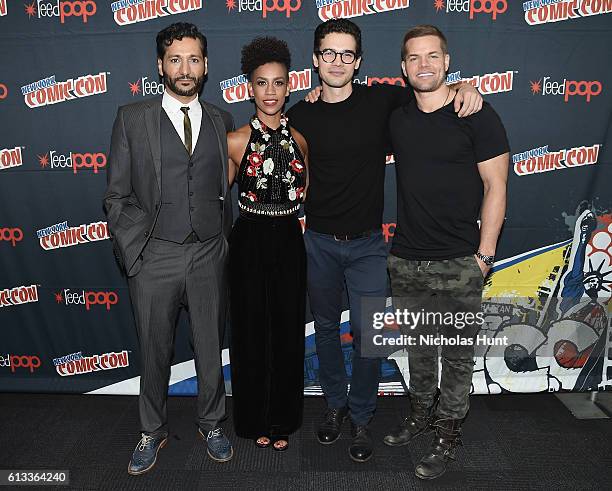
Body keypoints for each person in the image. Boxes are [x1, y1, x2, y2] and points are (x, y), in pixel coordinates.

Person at [286, 18, 483, 463]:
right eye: (329, 53)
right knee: (325, 332)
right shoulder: (299, 114)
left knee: (370, 339)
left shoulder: (383, 101)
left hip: (369, 248)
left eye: (347, 54)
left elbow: (432, 87)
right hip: (317, 242)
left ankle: (362, 416)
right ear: (316, 60)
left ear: (359, 62)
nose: (338, 62)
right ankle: (335, 406)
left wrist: (466, 85)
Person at [104, 22, 234, 475]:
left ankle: (212, 422)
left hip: (209, 253)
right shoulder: (131, 117)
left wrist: (222, 243)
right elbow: (117, 195)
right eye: (175, 59)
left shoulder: (221, 120)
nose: (185, 68)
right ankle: (151, 431)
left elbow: (227, 190)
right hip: (153, 255)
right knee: (154, 349)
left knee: (210, 345)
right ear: (160, 65)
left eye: (194, 59)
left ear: (205, 66)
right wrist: (135, 252)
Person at [383, 25, 509, 480]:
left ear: (447, 61)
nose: (423, 65)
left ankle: (448, 431)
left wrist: (485, 254)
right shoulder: (396, 115)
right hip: (406, 258)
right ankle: (420, 414)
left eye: (432, 56)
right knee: (418, 347)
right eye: (414, 58)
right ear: (403, 67)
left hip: (460, 260)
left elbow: (497, 185)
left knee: (456, 353)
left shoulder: (477, 113)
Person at [227, 37, 309, 452]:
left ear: (289, 87)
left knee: (288, 330)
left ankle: (283, 419)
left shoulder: (301, 140)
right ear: (250, 88)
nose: (271, 91)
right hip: (249, 241)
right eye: (262, 83)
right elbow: (210, 198)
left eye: (278, 83)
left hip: (289, 240)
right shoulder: (235, 141)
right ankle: (253, 419)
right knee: (250, 332)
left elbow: (304, 191)